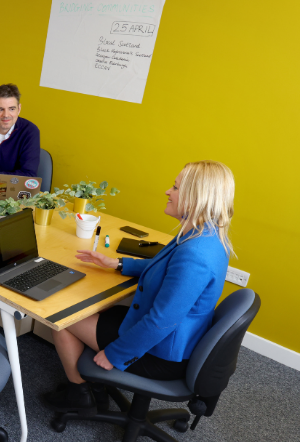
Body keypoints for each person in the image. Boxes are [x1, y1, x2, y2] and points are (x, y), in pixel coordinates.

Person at [44, 160, 235, 415]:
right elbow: (166, 268)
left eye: (175, 188)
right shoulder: (206, 234)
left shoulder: (195, 255)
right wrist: (118, 262)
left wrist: (115, 354)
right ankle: (94, 385)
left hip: (162, 354)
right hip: (174, 335)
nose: (168, 191)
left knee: (61, 319)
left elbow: (160, 322)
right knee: (90, 312)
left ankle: (79, 393)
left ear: (195, 198)